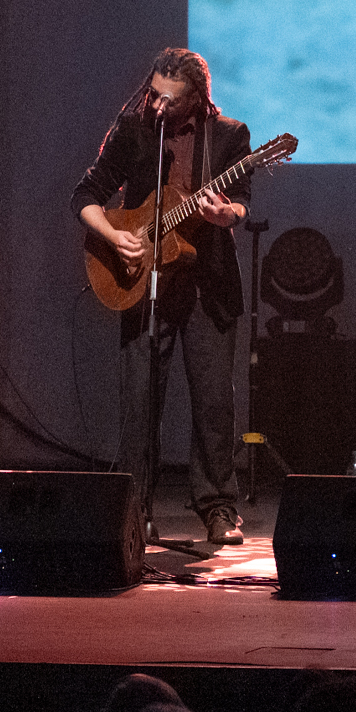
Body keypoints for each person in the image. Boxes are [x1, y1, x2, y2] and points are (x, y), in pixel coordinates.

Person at [75, 47, 251, 548]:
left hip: (207, 285)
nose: (156, 106)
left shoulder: (231, 137)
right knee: (140, 402)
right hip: (142, 281)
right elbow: (84, 195)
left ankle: (218, 507)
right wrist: (113, 236)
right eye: (153, 94)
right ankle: (135, 510)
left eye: (169, 101)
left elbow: (243, 204)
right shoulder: (133, 132)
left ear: (196, 99)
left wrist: (226, 215)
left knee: (214, 403)